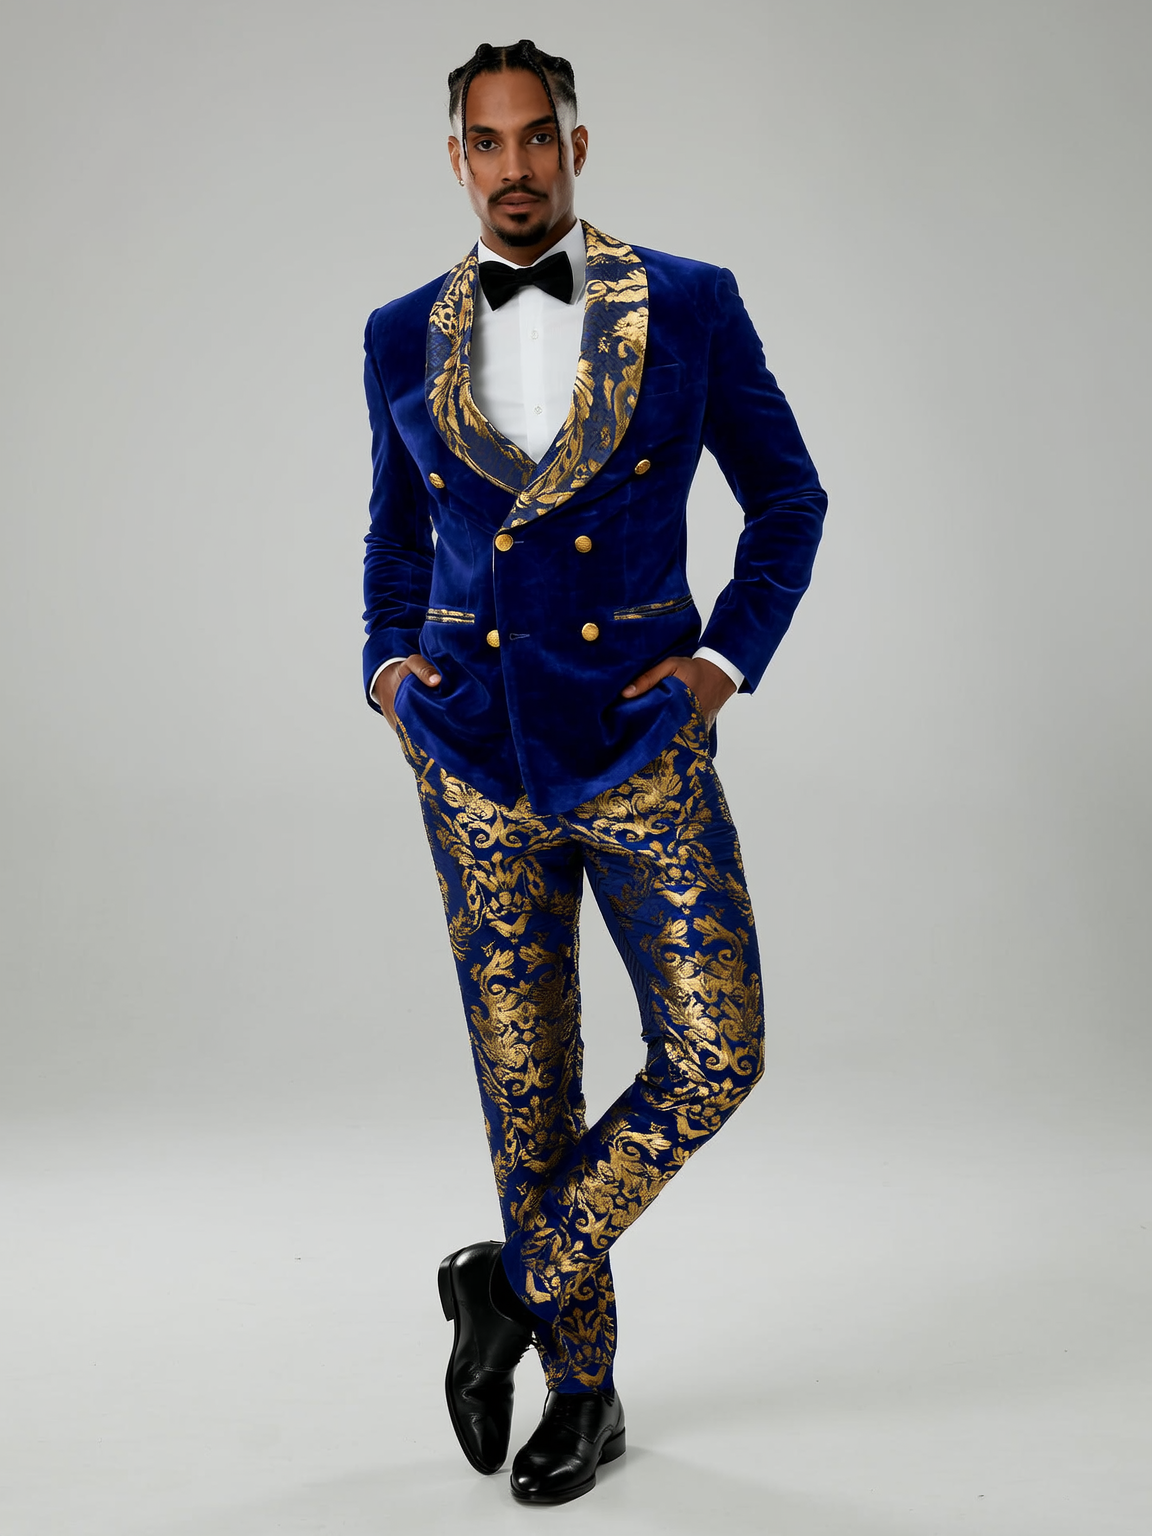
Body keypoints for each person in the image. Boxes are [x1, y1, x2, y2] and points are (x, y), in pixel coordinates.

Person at [360, 39, 826, 1506]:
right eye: (487, 143)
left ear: (577, 142)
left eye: (537, 137)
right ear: (458, 160)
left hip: (638, 748)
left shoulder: (687, 301)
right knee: (528, 1092)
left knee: (718, 1050)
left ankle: (506, 1281)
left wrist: (718, 665)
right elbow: (393, 539)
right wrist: (386, 671)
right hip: (475, 761)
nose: (515, 167)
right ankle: (583, 1391)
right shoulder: (398, 332)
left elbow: (789, 497)